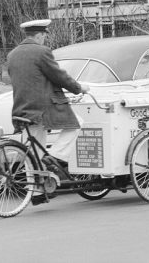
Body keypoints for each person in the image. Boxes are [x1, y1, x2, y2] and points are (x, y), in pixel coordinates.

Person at [7, 19, 89, 205]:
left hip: (21, 108)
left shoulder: (12, 55)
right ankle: (57, 157)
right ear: (39, 35)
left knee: (35, 149)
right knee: (77, 123)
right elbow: (58, 76)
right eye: (44, 36)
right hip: (43, 107)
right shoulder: (41, 52)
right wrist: (79, 88)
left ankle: (37, 192)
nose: (44, 39)